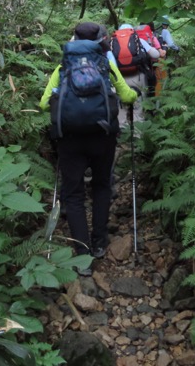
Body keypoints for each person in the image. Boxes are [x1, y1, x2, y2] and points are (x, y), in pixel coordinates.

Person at [40, 22, 138, 273]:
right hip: (102, 135)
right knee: (101, 185)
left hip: (69, 138)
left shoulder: (63, 67)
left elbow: (43, 103)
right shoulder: (105, 65)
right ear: (100, 40)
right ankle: (99, 243)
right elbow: (127, 97)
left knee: (72, 194)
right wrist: (134, 95)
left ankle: (82, 251)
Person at [114, 23, 159, 130]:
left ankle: (122, 136)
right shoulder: (139, 40)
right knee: (138, 106)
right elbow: (156, 55)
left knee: (121, 107)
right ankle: (138, 137)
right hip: (138, 77)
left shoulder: (113, 43)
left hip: (120, 79)